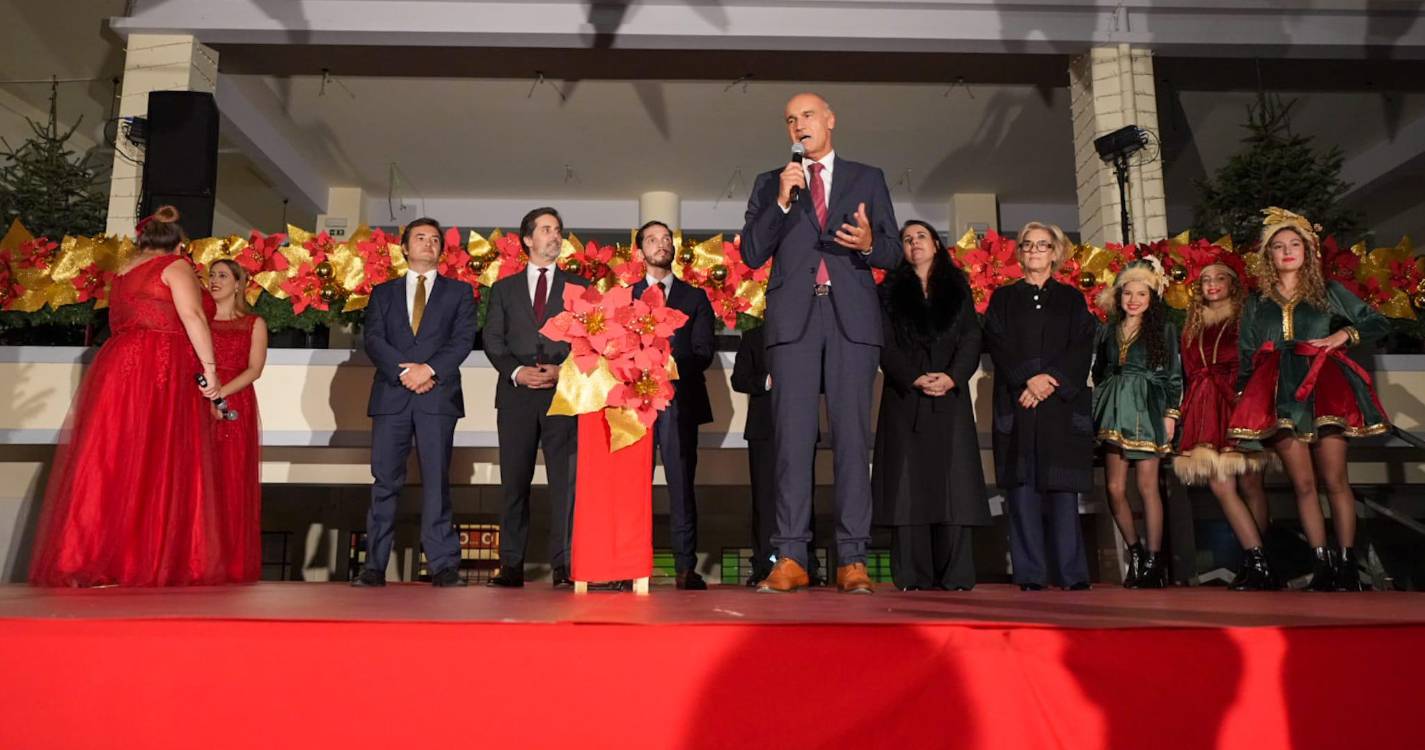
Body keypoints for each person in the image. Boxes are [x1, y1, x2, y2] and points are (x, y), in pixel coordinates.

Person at [740, 92, 902, 594]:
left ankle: (853, 559)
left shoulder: (867, 178)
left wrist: (869, 244)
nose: (798, 125)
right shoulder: (771, 182)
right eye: (790, 119)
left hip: (851, 319)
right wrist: (781, 202)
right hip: (794, 323)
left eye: (807, 115)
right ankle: (791, 555)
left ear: (830, 120)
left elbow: (893, 252)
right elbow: (751, 252)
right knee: (792, 441)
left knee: (852, 439)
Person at [29, 205, 227, 587]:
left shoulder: (124, 269)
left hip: (119, 365)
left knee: (113, 458)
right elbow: (194, 317)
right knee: (157, 457)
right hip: (160, 365)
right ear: (179, 243)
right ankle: (143, 559)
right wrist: (211, 370)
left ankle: (90, 556)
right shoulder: (175, 266)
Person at [1228, 207, 1392, 591]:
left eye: (1295, 244)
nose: (1287, 251)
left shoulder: (1328, 292)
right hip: (1280, 395)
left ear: (1308, 250)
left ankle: (1347, 565)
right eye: (1279, 246)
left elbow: (1377, 321)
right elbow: (1248, 354)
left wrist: (1342, 336)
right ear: (1269, 255)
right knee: (1303, 484)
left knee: (1335, 480)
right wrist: (1246, 401)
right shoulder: (1257, 303)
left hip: (1324, 386)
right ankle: (1322, 564)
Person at [353, 217, 478, 587]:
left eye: (435, 239)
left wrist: (429, 370)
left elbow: (462, 340)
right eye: (420, 237)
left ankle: (442, 565)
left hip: (436, 395)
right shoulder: (382, 293)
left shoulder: (459, 293)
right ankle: (374, 565)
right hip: (392, 395)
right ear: (405, 247)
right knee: (384, 481)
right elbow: (374, 339)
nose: (428, 243)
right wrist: (405, 372)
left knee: (437, 481)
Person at [871, 221, 990, 591]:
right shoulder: (886, 293)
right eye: (907, 239)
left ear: (937, 244)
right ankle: (911, 575)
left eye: (921, 236)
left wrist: (953, 377)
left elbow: (970, 338)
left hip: (950, 398)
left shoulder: (958, 288)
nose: (914, 243)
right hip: (905, 398)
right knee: (906, 486)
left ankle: (955, 575)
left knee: (955, 485)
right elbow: (884, 344)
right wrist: (914, 377)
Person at [983, 222, 1097, 592]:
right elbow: (997, 342)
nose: (1034, 251)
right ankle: (1030, 574)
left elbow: (1081, 345)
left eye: (1042, 245)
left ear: (1055, 252)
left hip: (1060, 406)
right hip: (1018, 403)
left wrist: (1049, 380)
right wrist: (1028, 378)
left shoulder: (1072, 299)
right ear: (1019, 253)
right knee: (1022, 492)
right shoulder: (1003, 298)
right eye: (1027, 245)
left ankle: (1071, 574)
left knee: (1063, 493)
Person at [482, 207, 587, 588]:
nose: (554, 236)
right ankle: (511, 564)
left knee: (566, 484)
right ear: (527, 239)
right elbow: (493, 339)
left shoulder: (579, 286)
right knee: (514, 482)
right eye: (546, 229)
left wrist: (562, 371)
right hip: (516, 396)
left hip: (563, 393)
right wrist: (516, 371)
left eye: (558, 230)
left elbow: (589, 340)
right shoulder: (504, 289)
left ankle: (565, 564)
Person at [1173, 254, 1275, 590]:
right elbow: (1190, 370)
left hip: (1239, 400)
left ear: (1233, 284)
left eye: (1219, 278)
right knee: (1221, 484)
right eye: (1206, 280)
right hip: (1205, 406)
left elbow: (1260, 356)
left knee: (1251, 484)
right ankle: (1257, 558)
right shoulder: (1193, 323)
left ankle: (1257, 562)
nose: (1212, 285)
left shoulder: (1246, 317)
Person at [630, 220, 717, 589]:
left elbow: (703, 351)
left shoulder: (694, 298)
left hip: (679, 402)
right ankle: (630, 565)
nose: (661, 244)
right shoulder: (625, 297)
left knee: (681, 486)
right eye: (652, 239)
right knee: (633, 487)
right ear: (639, 252)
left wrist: (667, 366)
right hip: (634, 405)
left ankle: (685, 566)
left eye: (666, 238)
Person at [1090, 258, 1183, 589]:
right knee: (1114, 489)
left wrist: (1170, 414)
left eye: (1141, 294)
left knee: (1147, 487)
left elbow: (1173, 375)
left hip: (1147, 409)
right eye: (1128, 293)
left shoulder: (1164, 330)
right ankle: (1137, 552)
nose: (1133, 300)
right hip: (1114, 410)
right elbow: (1099, 371)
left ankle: (1155, 562)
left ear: (1152, 297)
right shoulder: (1107, 330)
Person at [730, 322, 824, 587]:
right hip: (764, 429)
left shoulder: (808, 334)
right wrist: (767, 381)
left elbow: (824, 380)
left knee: (803, 497)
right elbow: (739, 379)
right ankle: (764, 565)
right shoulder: (753, 337)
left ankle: (806, 563)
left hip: (801, 427)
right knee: (764, 499)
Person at [207, 259, 269, 583]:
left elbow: (254, 369)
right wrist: (208, 394)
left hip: (234, 402)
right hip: (199, 401)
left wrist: (220, 394)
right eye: (211, 275)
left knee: (230, 480)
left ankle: (228, 563)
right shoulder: (199, 321)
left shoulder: (253, 323)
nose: (214, 281)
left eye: (222, 275)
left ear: (238, 284)